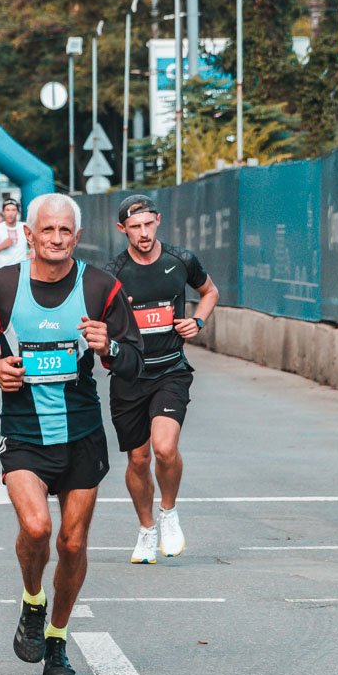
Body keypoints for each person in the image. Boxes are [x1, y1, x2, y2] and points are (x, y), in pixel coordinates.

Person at [0, 193, 142, 675]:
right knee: (37, 529)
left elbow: (134, 357)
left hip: (82, 433)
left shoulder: (102, 286)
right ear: (29, 235)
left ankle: (57, 641)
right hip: (22, 431)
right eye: (48, 231)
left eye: (66, 232)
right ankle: (32, 601)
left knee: (74, 542)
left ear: (77, 237)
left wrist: (112, 347)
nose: (57, 239)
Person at [106, 194, 220, 563]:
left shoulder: (181, 260)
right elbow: (97, 321)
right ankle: (146, 529)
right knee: (138, 459)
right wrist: (106, 350)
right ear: (123, 229)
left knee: (164, 448)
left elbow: (210, 292)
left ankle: (168, 513)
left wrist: (198, 320)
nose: (143, 233)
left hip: (171, 369)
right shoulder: (113, 273)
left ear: (158, 220)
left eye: (148, 224)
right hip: (129, 376)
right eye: (135, 227)